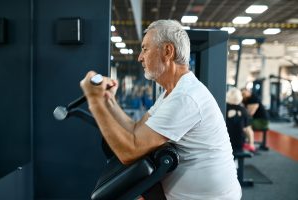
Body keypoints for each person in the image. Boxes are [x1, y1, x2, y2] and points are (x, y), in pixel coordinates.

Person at [80, 20, 241, 200]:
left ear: (167, 51)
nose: (140, 57)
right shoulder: (172, 93)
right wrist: (108, 100)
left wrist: (94, 102)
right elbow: (135, 129)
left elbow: (129, 152)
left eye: (145, 49)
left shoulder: (186, 97)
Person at [226, 87, 256, 152]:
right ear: (240, 97)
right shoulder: (244, 111)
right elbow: (249, 130)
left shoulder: (223, 108)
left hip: (224, 143)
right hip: (238, 144)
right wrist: (251, 144)